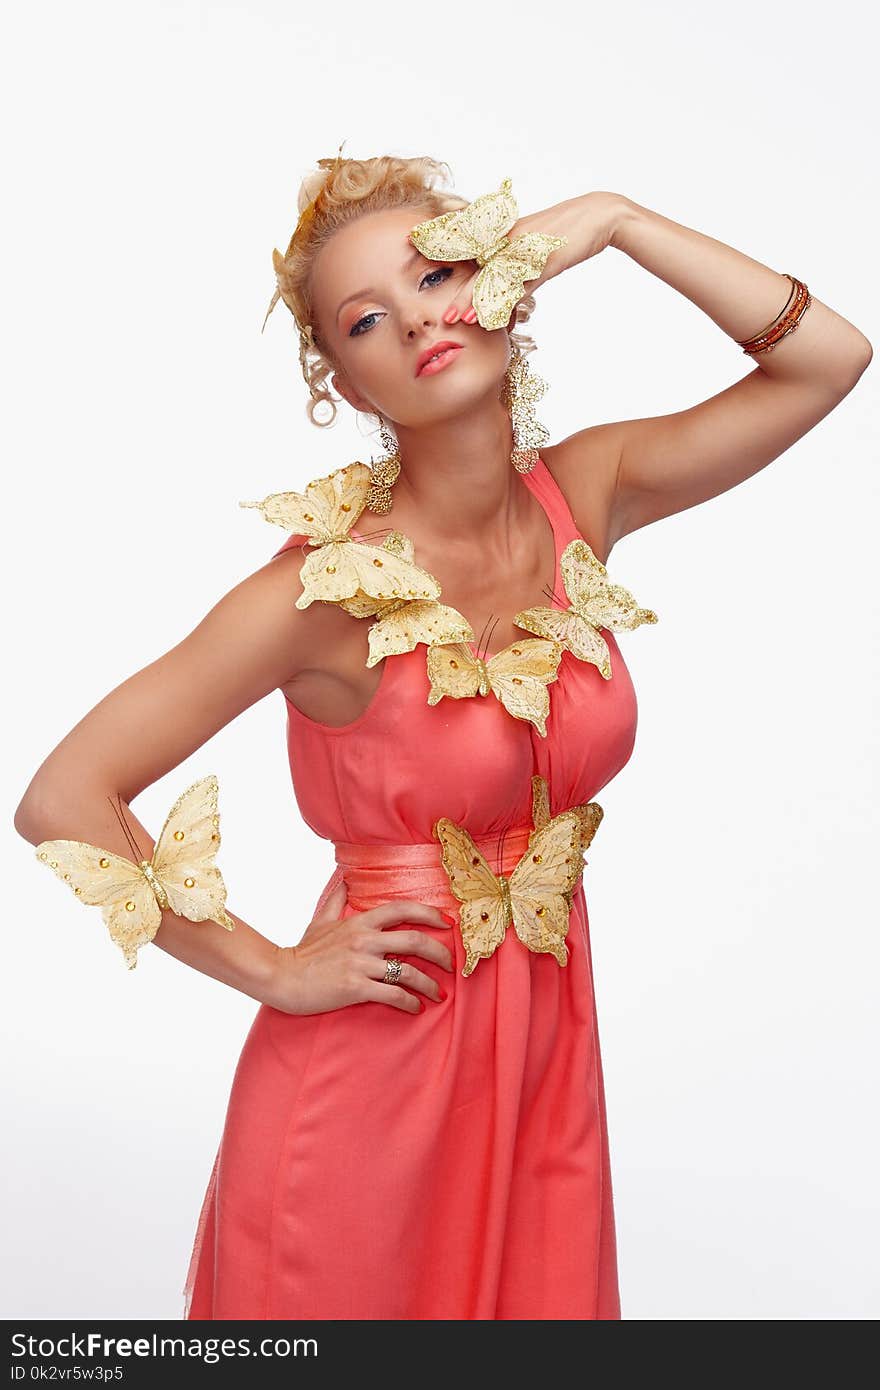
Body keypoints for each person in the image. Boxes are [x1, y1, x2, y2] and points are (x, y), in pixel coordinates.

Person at [13, 152, 872, 1322]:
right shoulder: (318, 593)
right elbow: (64, 796)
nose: (419, 317)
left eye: (443, 271)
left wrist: (616, 221)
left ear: (506, 280)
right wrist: (272, 968)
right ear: (351, 387)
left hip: (540, 1067)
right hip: (368, 1082)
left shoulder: (590, 492)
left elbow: (827, 359)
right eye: (369, 318)